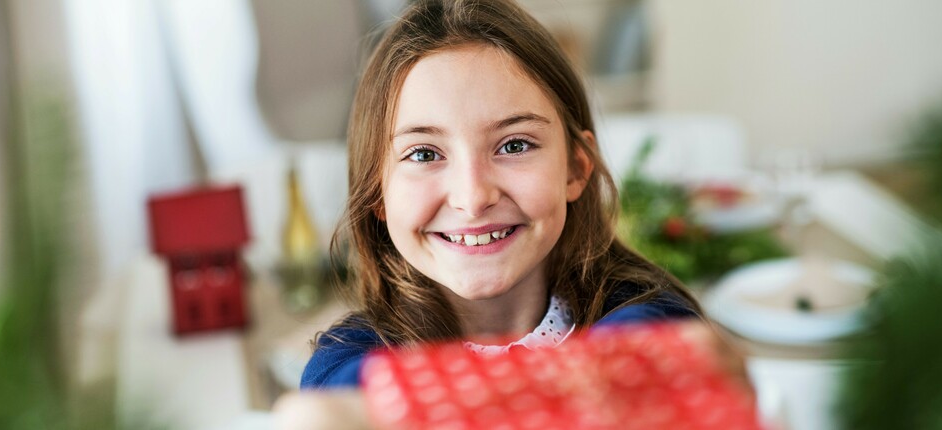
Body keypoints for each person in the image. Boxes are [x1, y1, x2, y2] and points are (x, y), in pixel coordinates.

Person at [301, 0, 703, 391]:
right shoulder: (344, 365)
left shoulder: (651, 319)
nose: (473, 197)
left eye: (513, 146)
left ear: (576, 168)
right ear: (376, 192)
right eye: (424, 154)